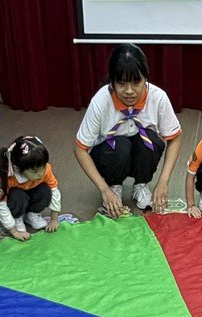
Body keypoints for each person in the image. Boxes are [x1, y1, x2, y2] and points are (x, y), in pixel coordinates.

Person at [74, 43, 183, 216]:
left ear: (146, 78)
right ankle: (114, 186)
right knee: (120, 146)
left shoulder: (158, 97)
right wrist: (104, 189)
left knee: (151, 141)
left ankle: (141, 185)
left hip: (141, 151)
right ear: (112, 82)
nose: (129, 91)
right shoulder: (100, 101)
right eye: (121, 83)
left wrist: (163, 181)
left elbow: (174, 138)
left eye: (136, 82)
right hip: (110, 156)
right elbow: (80, 149)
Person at [0, 136, 62, 241]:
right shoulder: (4, 178)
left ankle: (32, 215)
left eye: (43, 167)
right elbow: (1, 206)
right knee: (17, 195)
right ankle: (17, 218)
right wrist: (14, 231)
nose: (41, 173)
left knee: (45, 190)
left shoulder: (44, 169)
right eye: (35, 171)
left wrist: (54, 219)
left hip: (31, 193)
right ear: (18, 169)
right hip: (16, 200)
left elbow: (54, 191)